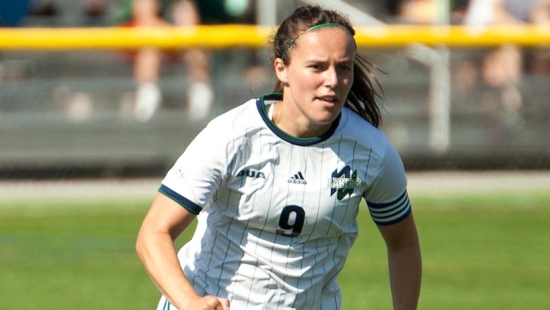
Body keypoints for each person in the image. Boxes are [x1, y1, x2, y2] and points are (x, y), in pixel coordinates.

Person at [136, 4, 422, 310]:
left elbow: (403, 244)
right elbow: (154, 234)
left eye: (343, 67)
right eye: (317, 67)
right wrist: (190, 303)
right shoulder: (231, 136)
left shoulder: (371, 150)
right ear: (280, 68)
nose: (332, 80)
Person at [114, 0, 260, 122]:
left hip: (172, 36)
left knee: (185, 14)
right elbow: (144, 17)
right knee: (150, 35)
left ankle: (199, 89)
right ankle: (147, 95)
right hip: (133, 34)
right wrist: (176, 35)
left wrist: (182, 36)